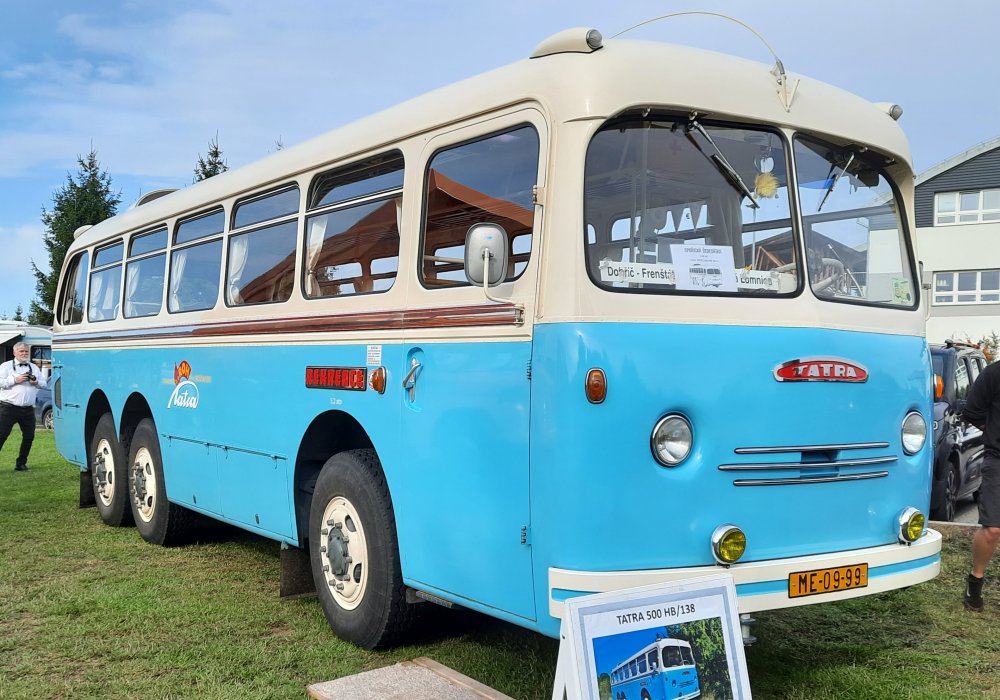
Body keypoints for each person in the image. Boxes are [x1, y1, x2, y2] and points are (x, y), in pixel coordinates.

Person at [963, 358, 1000, 611]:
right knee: (993, 528)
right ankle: (975, 582)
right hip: (997, 458)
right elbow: (972, 411)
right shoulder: (994, 373)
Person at [0, 342, 48, 471]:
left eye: (26, 351)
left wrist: (35, 382)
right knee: (2, 435)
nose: (24, 353)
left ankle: (21, 463)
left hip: (28, 409)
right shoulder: (5, 366)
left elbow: (44, 384)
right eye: (21, 351)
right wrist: (15, 380)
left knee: (29, 436)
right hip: (8, 407)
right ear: (14, 352)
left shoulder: (34, 367)